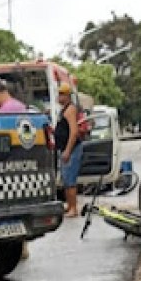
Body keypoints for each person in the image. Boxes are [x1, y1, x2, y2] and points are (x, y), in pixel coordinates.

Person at [55, 82, 83, 218]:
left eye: (61, 94)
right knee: (66, 179)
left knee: (70, 179)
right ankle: (69, 206)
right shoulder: (64, 109)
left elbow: (74, 132)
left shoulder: (70, 109)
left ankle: (73, 208)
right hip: (64, 147)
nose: (58, 97)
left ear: (67, 96)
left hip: (71, 149)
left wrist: (67, 150)